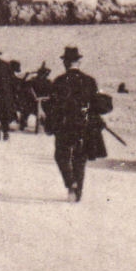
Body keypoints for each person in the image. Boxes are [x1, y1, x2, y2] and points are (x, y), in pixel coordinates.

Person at [45, 46, 98, 201]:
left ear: (65, 63)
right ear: (79, 62)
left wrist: (50, 124)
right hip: (84, 124)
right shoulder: (89, 81)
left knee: (61, 155)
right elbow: (96, 104)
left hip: (65, 124)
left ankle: (70, 183)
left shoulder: (59, 81)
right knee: (80, 159)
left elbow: (52, 106)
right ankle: (77, 193)